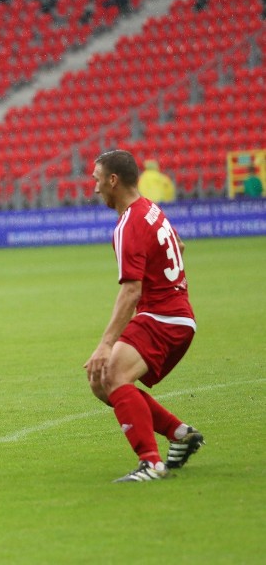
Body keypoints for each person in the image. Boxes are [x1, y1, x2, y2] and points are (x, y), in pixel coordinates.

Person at [85, 150, 203, 483]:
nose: (94, 189)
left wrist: (105, 343)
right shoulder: (151, 209)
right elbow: (178, 246)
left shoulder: (129, 224)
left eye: (96, 180)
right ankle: (179, 434)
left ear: (113, 181)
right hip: (175, 314)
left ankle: (151, 463)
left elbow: (132, 291)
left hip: (163, 317)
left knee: (110, 374)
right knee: (102, 381)